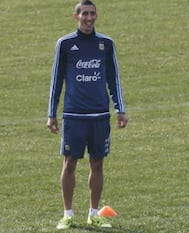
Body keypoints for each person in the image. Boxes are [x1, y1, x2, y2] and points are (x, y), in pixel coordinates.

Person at [47, 0, 128, 229]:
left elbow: (114, 79)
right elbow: (56, 81)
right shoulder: (65, 44)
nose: (89, 18)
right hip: (73, 115)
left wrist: (120, 109)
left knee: (97, 164)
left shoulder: (106, 43)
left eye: (92, 14)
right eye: (85, 14)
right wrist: (51, 114)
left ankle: (93, 213)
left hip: (100, 115)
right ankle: (68, 214)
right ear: (76, 16)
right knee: (69, 163)